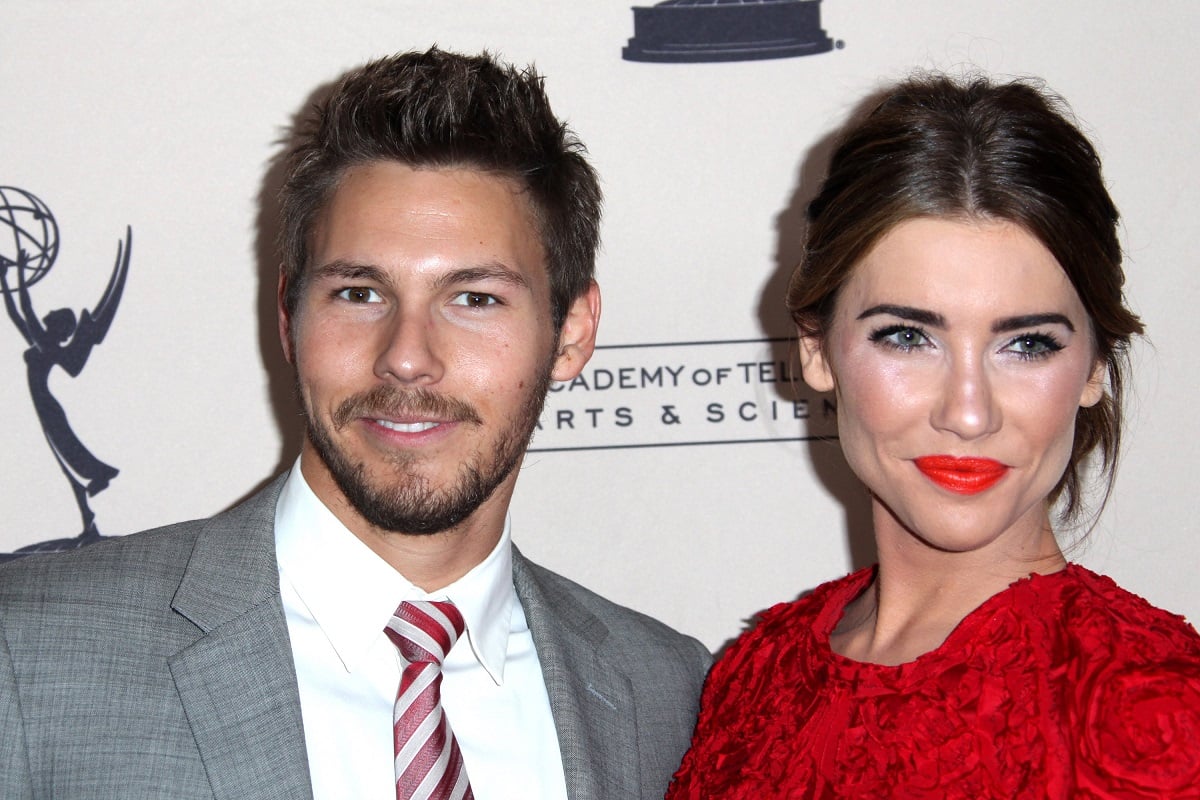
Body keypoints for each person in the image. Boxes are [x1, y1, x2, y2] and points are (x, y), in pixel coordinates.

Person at [0, 48, 710, 800]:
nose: (406, 360)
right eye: (359, 293)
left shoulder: (668, 692)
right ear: (288, 316)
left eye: (474, 299)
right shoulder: (28, 652)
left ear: (570, 333)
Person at [668, 74, 1200, 798]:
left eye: (1028, 345)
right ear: (818, 351)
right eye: (908, 337)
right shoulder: (754, 676)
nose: (968, 411)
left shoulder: (1166, 713)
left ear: (1094, 366)